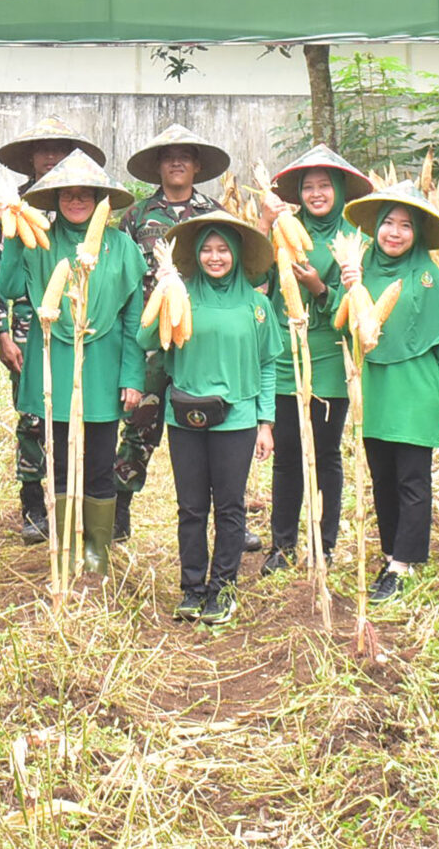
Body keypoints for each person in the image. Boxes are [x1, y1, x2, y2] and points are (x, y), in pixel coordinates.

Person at [0, 151, 145, 580]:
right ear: (54, 199)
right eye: (67, 195)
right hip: (52, 361)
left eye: (85, 195)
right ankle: (64, 545)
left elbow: (133, 318)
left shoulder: (124, 247)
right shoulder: (40, 240)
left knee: (98, 459)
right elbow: (5, 288)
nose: (76, 201)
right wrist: (14, 235)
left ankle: (95, 551)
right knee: (57, 458)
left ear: (99, 199)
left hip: (103, 363)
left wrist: (132, 375)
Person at [147, 213, 277, 623]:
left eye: (223, 250)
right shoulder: (181, 295)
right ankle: (191, 588)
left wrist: (265, 422)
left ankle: (223, 587)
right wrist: (164, 287)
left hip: (236, 418)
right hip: (184, 415)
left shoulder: (256, 305)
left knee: (230, 506)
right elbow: (146, 339)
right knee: (191, 507)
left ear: (237, 255)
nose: (214, 257)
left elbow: (269, 364)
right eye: (206, 249)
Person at [339, 181, 439, 601]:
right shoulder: (361, 269)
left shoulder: (430, 277)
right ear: (375, 229)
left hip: (417, 386)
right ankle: (392, 549)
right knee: (382, 478)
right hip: (373, 385)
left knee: (412, 478)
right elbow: (336, 320)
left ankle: (403, 564)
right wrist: (348, 285)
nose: (395, 233)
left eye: (405, 226)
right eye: (388, 224)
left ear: (416, 234)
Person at [0, 121, 107, 543]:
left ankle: (85, 510)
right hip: (27, 327)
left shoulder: (85, 205)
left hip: (78, 327)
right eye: (44, 151)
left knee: (81, 413)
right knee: (34, 419)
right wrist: (1, 334)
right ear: (31, 159)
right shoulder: (11, 210)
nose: (52, 158)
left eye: (60, 150)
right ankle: (35, 505)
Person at [118, 123, 233, 543]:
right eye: (169, 157)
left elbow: (233, 270)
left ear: (197, 165)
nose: (177, 162)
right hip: (151, 340)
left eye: (185, 156)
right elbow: (124, 277)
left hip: (198, 340)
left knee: (214, 424)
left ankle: (227, 517)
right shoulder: (135, 217)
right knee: (140, 423)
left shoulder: (214, 213)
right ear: (158, 167)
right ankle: (119, 507)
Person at [262, 145, 373, 575]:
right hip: (287, 355)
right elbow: (258, 277)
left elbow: (356, 306)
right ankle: (282, 544)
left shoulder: (354, 238)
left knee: (325, 453)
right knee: (288, 453)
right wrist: (265, 222)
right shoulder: (282, 231)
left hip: (329, 355)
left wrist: (320, 291)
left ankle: (324, 544)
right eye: (308, 187)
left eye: (325, 186)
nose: (316, 193)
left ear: (340, 190)